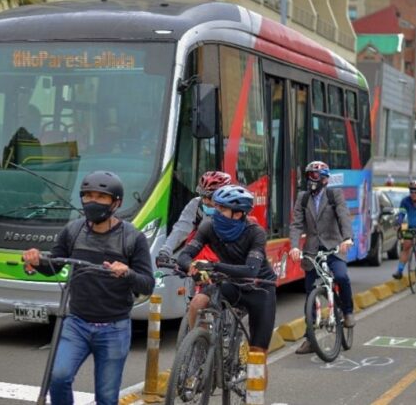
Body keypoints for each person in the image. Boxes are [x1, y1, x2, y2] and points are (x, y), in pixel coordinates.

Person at [22, 171, 154, 405]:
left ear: (116, 203)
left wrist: (127, 273)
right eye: (88, 196)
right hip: (76, 323)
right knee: (59, 377)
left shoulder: (132, 238)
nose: (93, 202)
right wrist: (34, 262)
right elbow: (54, 263)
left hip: (115, 328)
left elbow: (147, 284)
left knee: (106, 397)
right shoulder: (73, 231)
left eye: (101, 197)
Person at [176, 185, 277, 357]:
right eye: (216, 207)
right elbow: (185, 254)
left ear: (237, 213)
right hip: (230, 282)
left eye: (222, 209)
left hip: (260, 289)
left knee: (257, 353)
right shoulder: (209, 227)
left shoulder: (255, 233)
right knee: (197, 303)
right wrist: (190, 266)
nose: (216, 212)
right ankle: (200, 349)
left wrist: (214, 266)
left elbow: (251, 270)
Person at [288, 161, 355, 355]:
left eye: (315, 176)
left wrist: (347, 239)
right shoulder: (302, 198)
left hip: (334, 247)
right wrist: (294, 247)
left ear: (325, 179)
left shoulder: (335, 195)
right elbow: (296, 225)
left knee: (341, 276)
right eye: (308, 175)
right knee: (310, 292)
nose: (311, 180)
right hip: (311, 251)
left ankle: (348, 312)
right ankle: (310, 338)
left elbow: (344, 217)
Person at [156, 171, 232, 267]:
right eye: (203, 196)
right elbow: (181, 228)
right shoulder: (196, 204)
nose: (205, 201)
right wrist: (165, 251)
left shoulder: (234, 210)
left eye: (210, 197)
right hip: (197, 263)